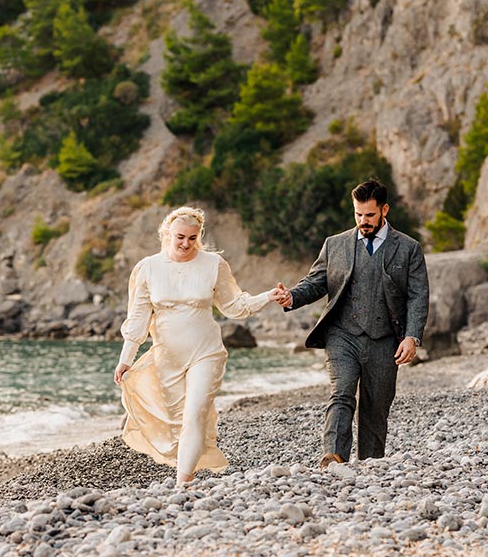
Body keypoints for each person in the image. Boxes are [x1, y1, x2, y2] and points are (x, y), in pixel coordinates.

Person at [270, 178, 429, 467]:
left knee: (376, 408)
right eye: (358, 214)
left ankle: (370, 464)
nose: (363, 221)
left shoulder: (408, 249)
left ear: (384, 210)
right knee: (341, 392)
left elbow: (418, 296)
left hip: (385, 340)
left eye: (369, 215)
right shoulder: (335, 244)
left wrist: (411, 336)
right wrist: (291, 297)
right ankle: (334, 457)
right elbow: (317, 282)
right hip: (342, 335)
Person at [114, 206, 275, 483]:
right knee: (177, 424)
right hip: (168, 358)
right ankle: (186, 470)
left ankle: (183, 483)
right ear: (167, 233)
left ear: (199, 235)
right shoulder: (147, 268)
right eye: (180, 237)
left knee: (195, 413)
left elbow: (234, 306)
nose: (186, 244)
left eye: (192, 237)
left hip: (206, 353)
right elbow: (138, 320)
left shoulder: (213, 264)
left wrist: (268, 296)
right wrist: (126, 358)